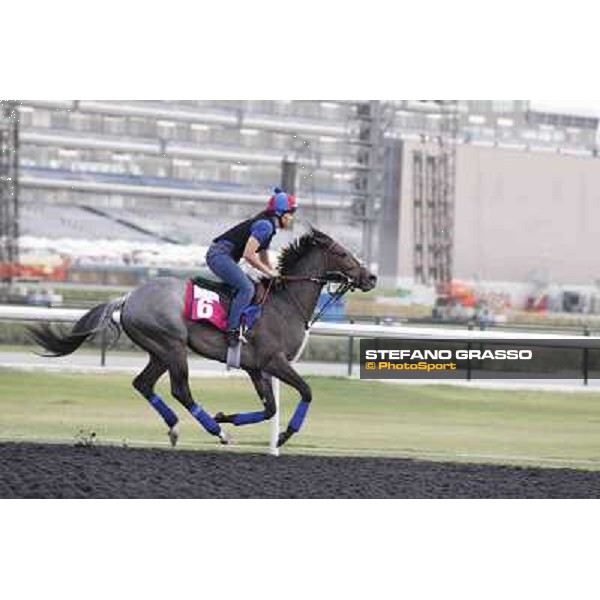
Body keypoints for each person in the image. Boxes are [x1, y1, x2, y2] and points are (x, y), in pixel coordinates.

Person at [206, 187, 296, 346]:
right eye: (290, 214)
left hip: (224, 256)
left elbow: (262, 254)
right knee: (247, 288)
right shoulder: (265, 226)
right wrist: (269, 272)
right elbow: (248, 255)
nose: (291, 219)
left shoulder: (268, 226)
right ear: (279, 213)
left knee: (250, 286)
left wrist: (272, 272)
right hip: (219, 256)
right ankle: (232, 330)